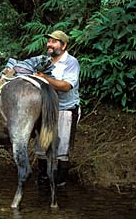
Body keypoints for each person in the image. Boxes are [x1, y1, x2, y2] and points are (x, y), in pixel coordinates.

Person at [34, 30, 80, 187]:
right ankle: (43, 180)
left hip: (65, 110)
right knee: (42, 146)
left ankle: (60, 183)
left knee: (61, 149)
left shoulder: (71, 62)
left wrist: (45, 78)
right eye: (49, 41)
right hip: (46, 109)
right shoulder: (46, 61)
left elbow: (66, 86)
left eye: (54, 42)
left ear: (64, 45)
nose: (49, 44)